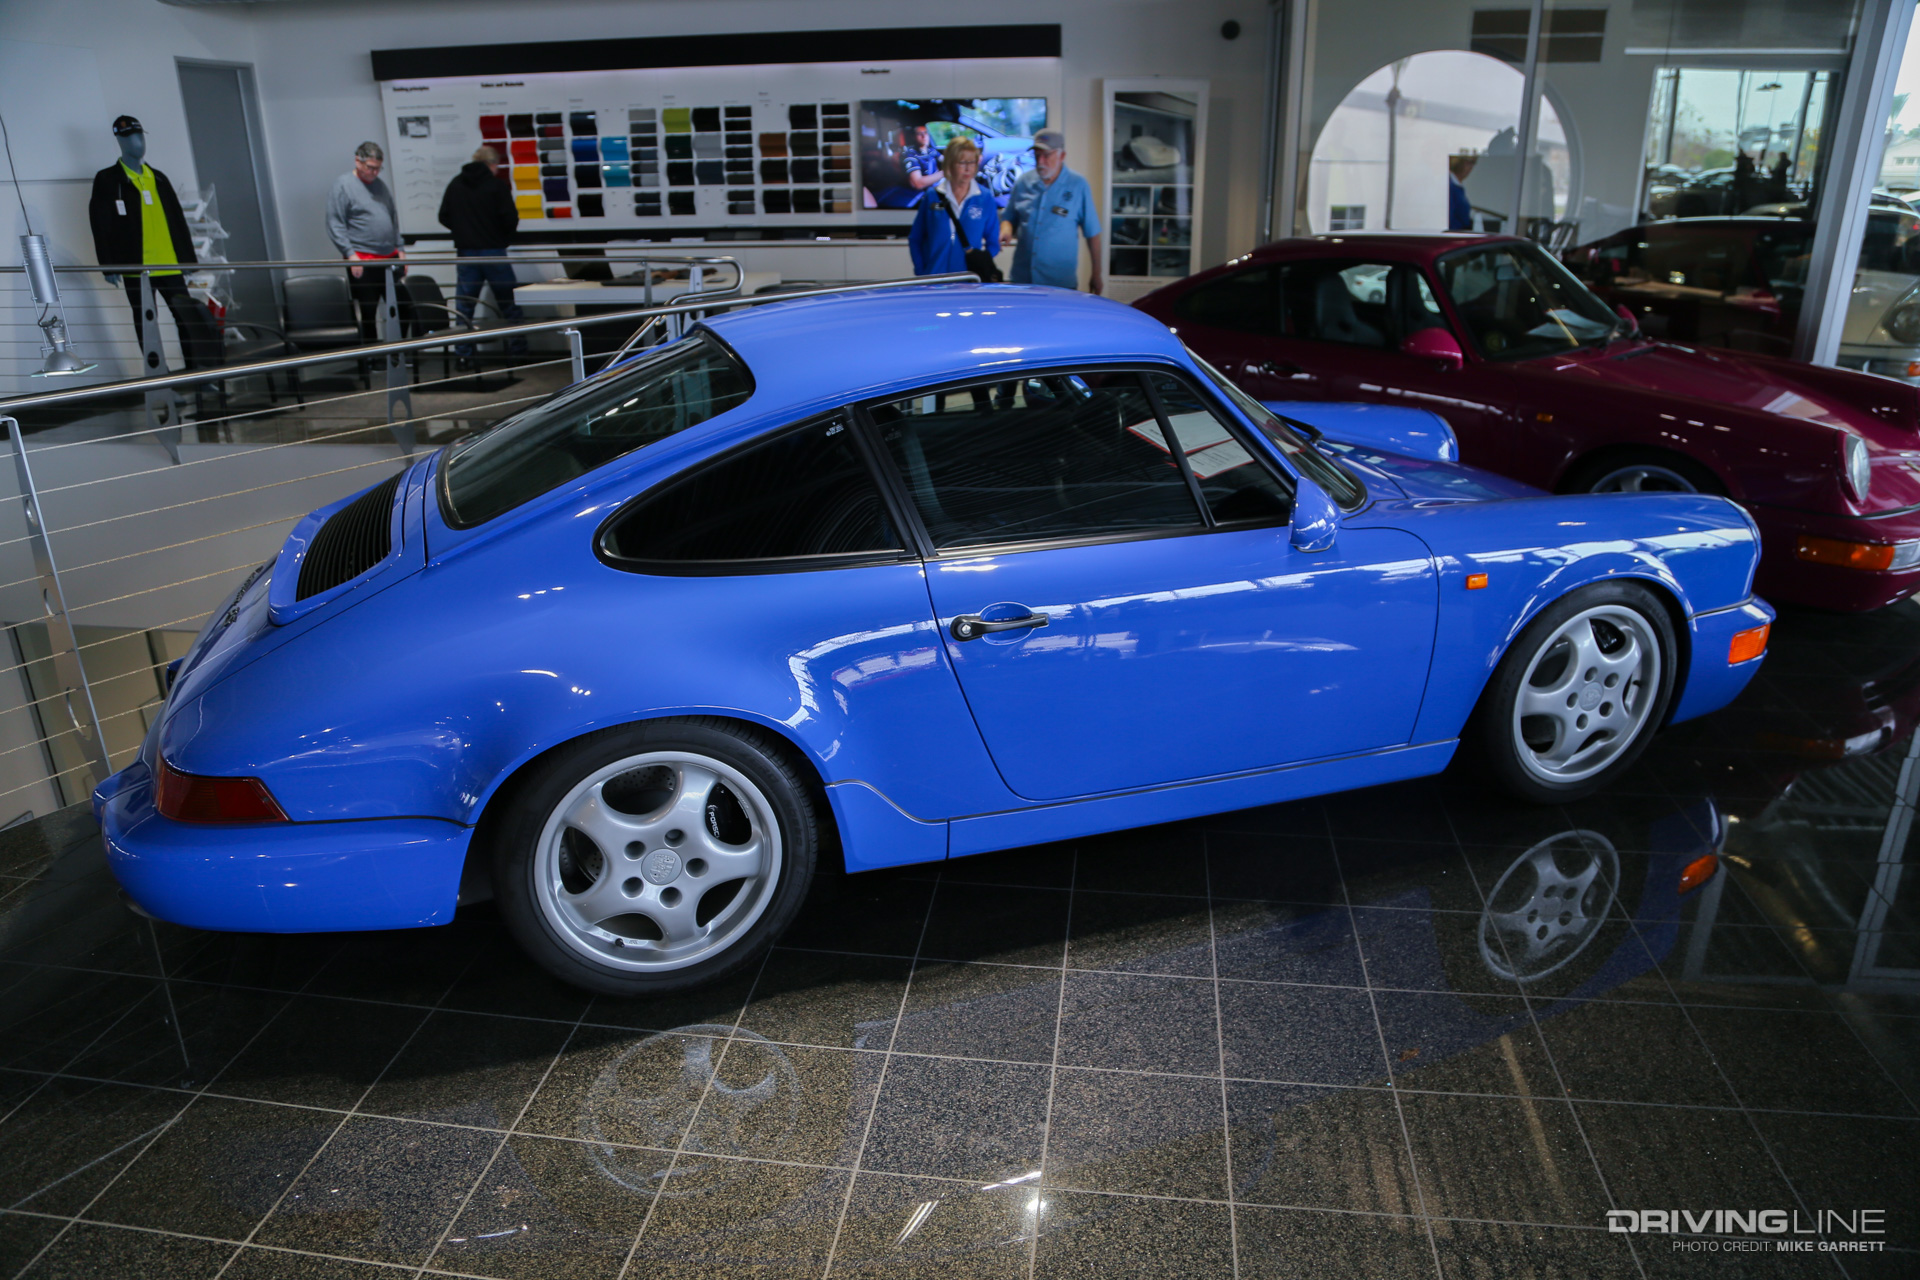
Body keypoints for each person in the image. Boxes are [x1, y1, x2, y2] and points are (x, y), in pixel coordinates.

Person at [87, 114, 221, 371]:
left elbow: (178, 222)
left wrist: (187, 259)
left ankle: (198, 375)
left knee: (188, 321)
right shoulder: (108, 180)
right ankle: (161, 382)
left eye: (139, 136)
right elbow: (100, 225)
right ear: (119, 140)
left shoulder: (158, 178)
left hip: (170, 266)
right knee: (147, 326)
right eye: (129, 137)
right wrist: (110, 266)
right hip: (138, 269)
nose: (136, 143)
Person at [437, 145, 525, 361]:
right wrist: (500, 237)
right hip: (494, 251)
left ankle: (463, 356)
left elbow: (443, 216)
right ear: (492, 164)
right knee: (509, 305)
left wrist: (463, 230)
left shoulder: (456, 184)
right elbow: (510, 219)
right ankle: (518, 352)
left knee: (464, 308)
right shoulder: (496, 186)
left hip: (466, 253)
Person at [1001, 130, 1103, 294]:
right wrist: (1006, 229)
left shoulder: (1078, 185)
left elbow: (1093, 233)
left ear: (1062, 156)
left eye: (1046, 155)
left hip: (1060, 284)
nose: (1040, 161)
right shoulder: (1023, 182)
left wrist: (1096, 274)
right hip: (1023, 281)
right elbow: (1009, 217)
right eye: (1037, 155)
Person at [326, 141, 403, 340]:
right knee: (367, 311)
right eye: (370, 168)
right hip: (362, 259)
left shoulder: (380, 185)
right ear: (357, 162)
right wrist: (351, 255)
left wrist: (400, 247)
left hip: (389, 257)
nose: (375, 172)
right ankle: (372, 356)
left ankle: (399, 352)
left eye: (378, 168)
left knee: (403, 306)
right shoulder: (343, 185)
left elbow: (392, 217)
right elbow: (335, 222)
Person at [908, 136, 1000, 277]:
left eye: (972, 162)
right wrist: (921, 271)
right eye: (962, 162)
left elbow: (993, 243)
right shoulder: (933, 195)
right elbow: (916, 239)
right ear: (950, 164)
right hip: (934, 280)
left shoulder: (985, 197)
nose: (968, 168)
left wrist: (982, 263)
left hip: (969, 281)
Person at [1448, 153, 1478, 231]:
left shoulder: (1458, 186)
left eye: (1473, 163)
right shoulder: (1450, 186)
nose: (1471, 168)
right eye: (1469, 163)